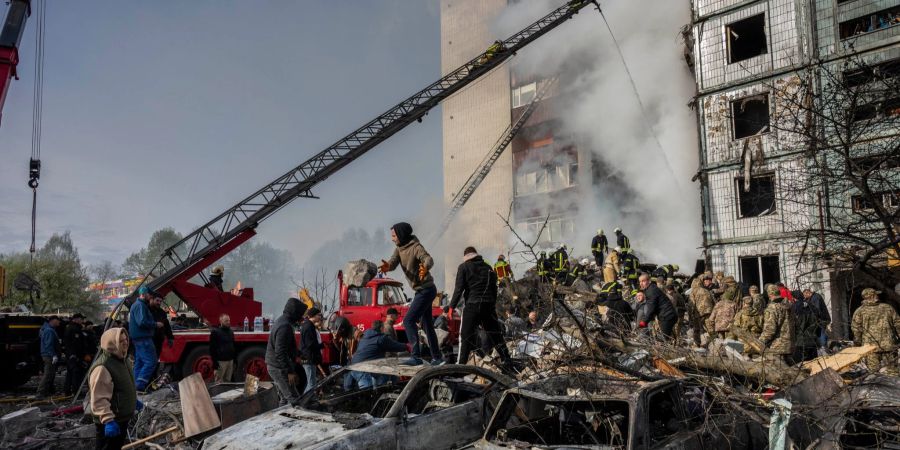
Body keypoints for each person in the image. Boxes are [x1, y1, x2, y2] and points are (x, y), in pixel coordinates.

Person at [379, 222, 443, 366]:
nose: (392, 239)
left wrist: (425, 267)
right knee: (427, 325)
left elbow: (428, 259)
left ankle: (416, 356)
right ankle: (437, 358)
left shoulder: (415, 247)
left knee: (408, 321)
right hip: (421, 291)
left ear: (401, 235)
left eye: (394, 235)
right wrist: (387, 267)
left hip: (426, 290)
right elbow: (393, 262)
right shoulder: (399, 248)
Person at [449, 247, 512, 367]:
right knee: (496, 334)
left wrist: (451, 307)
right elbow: (494, 290)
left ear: (466, 257)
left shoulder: (463, 267)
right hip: (488, 305)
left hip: (472, 305)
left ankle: (461, 366)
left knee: (465, 336)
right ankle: (507, 360)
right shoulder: (488, 268)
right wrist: (491, 306)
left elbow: (458, 289)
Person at [89, 328, 142, 450]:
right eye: (121, 341)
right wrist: (108, 420)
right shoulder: (103, 367)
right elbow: (99, 398)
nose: (125, 343)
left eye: (126, 339)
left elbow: (124, 386)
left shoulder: (124, 360)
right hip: (110, 421)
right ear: (111, 344)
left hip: (121, 418)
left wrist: (133, 402)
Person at [266, 297, 308, 406]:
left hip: (276, 365)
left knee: (285, 399)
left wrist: (299, 354)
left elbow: (289, 347)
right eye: (301, 314)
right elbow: (280, 352)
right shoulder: (284, 326)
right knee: (293, 399)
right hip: (278, 367)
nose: (302, 317)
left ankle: (280, 420)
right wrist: (289, 372)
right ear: (295, 313)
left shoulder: (283, 322)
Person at [347, 320, 408, 389]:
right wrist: (407, 346)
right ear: (381, 328)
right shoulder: (381, 338)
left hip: (354, 366)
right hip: (363, 368)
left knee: (387, 376)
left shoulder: (365, 337)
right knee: (367, 393)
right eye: (384, 327)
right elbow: (395, 346)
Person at [851, 288, 900, 373]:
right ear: (873, 296)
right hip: (889, 345)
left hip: (870, 347)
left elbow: (856, 329)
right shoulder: (888, 308)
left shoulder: (860, 311)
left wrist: (857, 344)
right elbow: (898, 324)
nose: (878, 295)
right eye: (876, 294)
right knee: (892, 372)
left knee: (873, 373)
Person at [129, 287, 163, 392]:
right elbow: (142, 322)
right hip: (143, 338)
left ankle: (134, 385)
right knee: (151, 361)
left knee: (139, 362)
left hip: (138, 338)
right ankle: (140, 385)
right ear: (144, 294)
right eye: (150, 294)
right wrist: (155, 324)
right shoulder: (140, 305)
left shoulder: (137, 305)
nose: (151, 296)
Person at [759, 284, 795, 364]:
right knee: (791, 371)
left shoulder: (772, 308)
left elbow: (770, 330)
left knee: (779, 373)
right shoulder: (789, 305)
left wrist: (760, 341)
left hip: (777, 347)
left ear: (770, 294)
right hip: (790, 344)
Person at [638, 274, 678, 339]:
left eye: (643, 281)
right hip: (667, 315)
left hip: (667, 316)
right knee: (667, 337)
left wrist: (644, 321)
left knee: (663, 340)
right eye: (640, 281)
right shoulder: (650, 289)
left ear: (649, 281)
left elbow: (651, 308)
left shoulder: (651, 291)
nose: (641, 283)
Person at [299, 308, 324, 393]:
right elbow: (310, 344)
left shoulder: (308, 325)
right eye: (318, 315)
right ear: (313, 315)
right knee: (311, 384)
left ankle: (306, 401)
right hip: (309, 359)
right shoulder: (309, 326)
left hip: (309, 358)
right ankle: (304, 401)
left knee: (311, 382)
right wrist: (321, 345)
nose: (320, 317)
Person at [64, 313, 89, 396]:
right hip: (75, 355)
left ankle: (68, 390)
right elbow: (75, 344)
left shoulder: (73, 328)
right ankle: (76, 391)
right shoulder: (74, 329)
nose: (82, 320)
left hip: (72, 355)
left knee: (71, 372)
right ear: (75, 319)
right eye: (81, 319)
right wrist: (75, 355)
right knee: (76, 373)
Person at [792, 293, 820, 363]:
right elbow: (818, 325)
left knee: (801, 367)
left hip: (800, 342)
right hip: (812, 341)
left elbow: (794, 326)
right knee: (814, 366)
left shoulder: (794, 308)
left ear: (794, 298)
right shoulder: (813, 307)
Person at [38, 315, 61, 398]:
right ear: (53, 321)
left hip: (47, 354)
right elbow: (48, 345)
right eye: (58, 320)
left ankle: (47, 391)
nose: (59, 322)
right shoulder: (49, 331)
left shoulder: (47, 329)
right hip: (48, 355)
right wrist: (53, 355)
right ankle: (40, 392)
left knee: (50, 374)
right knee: (48, 374)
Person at [150, 294, 174, 370]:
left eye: (160, 301)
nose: (159, 303)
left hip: (159, 340)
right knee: (150, 361)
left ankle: (153, 378)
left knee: (156, 359)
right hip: (150, 339)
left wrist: (170, 337)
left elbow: (166, 326)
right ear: (152, 299)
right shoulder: (147, 311)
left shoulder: (162, 312)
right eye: (157, 300)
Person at [210, 314, 236, 383]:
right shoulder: (215, 332)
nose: (228, 322)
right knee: (219, 383)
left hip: (230, 361)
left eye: (229, 320)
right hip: (221, 362)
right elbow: (212, 349)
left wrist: (235, 360)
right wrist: (215, 363)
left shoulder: (231, 331)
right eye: (226, 321)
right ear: (221, 321)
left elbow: (233, 345)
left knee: (228, 382)